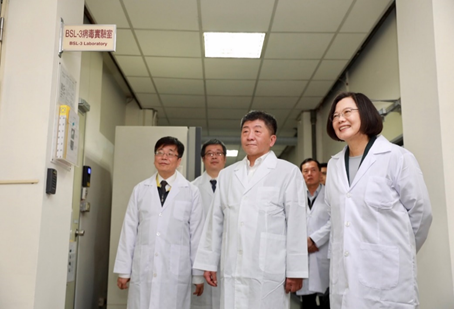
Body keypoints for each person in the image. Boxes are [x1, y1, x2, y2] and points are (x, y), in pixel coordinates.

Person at [325, 92, 432, 308]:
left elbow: (421, 214)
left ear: (365, 113)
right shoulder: (335, 165)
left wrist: (397, 249)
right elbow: (334, 218)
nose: (340, 119)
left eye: (347, 112)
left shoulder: (397, 157)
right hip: (344, 277)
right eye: (335, 116)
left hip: (387, 277)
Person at [194, 111, 308, 309]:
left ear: (272, 139)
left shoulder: (287, 172)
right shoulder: (228, 174)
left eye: (257, 130)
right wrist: (209, 262)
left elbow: (297, 224)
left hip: (269, 268)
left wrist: (296, 270)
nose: (250, 136)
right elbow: (215, 221)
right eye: (245, 131)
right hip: (232, 265)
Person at [114, 136, 205, 309]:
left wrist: (198, 275)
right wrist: (124, 270)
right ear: (154, 157)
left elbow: (197, 235)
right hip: (144, 268)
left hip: (176, 270)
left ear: (179, 160)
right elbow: (129, 230)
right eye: (160, 153)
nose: (164, 157)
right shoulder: (140, 189)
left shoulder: (191, 192)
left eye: (170, 154)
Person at [191, 139, 227, 309]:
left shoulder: (236, 186)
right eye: (209, 153)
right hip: (201, 252)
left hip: (228, 252)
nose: (214, 156)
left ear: (224, 159)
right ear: (203, 159)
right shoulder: (192, 188)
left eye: (218, 153)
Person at [297, 158, 330, 309]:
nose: (309, 174)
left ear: (319, 173)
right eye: (305, 171)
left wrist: (314, 240)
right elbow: (290, 222)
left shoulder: (330, 195)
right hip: (302, 253)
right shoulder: (294, 196)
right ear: (301, 174)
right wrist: (303, 242)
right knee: (307, 302)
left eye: (313, 170)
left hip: (323, 250)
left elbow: (335, 221)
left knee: (327, 299)